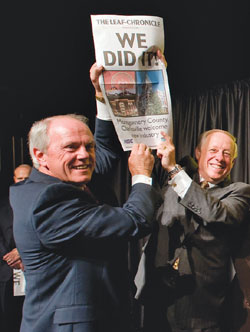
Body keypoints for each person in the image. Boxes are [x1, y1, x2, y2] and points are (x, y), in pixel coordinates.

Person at [89, 62, 250, 332]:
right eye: (213, 150)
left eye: (226, 154)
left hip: (203, 307)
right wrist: (153, 75)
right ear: (198, 154)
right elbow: (150, 127)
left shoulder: (239, 192)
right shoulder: (172, 179)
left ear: (233, 163)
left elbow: (215, 213)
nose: (219, 158)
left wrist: (175, 169)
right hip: (157, 298)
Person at [9, 113, 162, 332]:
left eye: (89, 146)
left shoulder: (48, 183)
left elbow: (106, 152)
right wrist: (142, 175)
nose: (84, 155)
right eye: (71, 147)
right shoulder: (49, 201)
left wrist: (102, 98)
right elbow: (136, 220)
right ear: (40, 155)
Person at [0, 164, 31, 332]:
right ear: (13, 180)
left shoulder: (44, 204)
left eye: (27, 179)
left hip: (33, 269)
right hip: (6, 272)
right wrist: (10, 257)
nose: (23, 182)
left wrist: (22, 252)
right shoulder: (2, 206)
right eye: (20, 179)